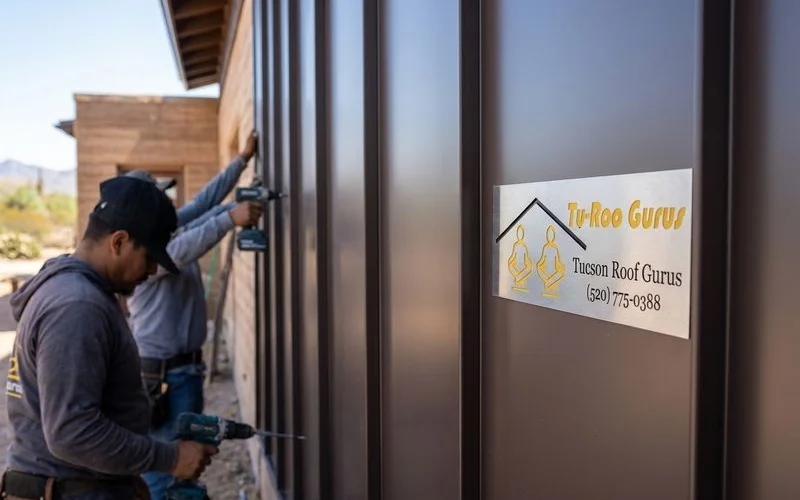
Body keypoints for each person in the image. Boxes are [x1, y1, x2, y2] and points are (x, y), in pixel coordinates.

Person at [2, 176, 219, 500]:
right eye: (149, 258)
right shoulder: (77, 307)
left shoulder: (71, 290)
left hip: (78, 485)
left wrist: (126, 478)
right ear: (118, 242)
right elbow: (72, 432)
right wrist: (169, 458)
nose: (151, 271)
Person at [122, 132, 263, 499]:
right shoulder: (145, 255)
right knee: (163, 468)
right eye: (157, 198)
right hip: (159, 374)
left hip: (185, 368)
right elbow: (185, 249)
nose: (166, 202)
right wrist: (231, 217)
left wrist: (242, 161)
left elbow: (205, 204)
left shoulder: (164, 229)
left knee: (188, 464)